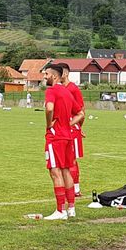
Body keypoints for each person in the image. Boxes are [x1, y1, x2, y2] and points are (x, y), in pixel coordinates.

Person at [42, 65, 76, 220]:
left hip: (55, 137)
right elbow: (81, 113)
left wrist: (49, 124)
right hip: (68, 136)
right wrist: (68, 124)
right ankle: (71, 208)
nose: (44, 77)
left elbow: (49, 108)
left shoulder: (51, 91)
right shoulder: (67, 92)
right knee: (66, 171)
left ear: (54, 76)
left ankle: (60, 211)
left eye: (46, 74)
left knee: (55, 172)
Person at [57, 63, 86, 197]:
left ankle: (76, 189)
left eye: (60, 72)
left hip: (72, 129)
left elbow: (81, 110)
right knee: (64, 160)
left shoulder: (73, 89)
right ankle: (69, 187)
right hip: (63, 129)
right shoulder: (61, 88)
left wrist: (79, 127)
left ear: (66, 73)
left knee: (72, 160)